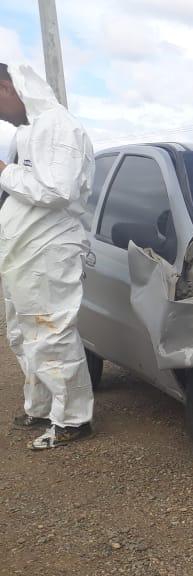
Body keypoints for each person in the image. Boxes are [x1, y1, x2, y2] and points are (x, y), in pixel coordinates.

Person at [0, 63, 95, 449]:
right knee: (24, 334)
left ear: (7, 87)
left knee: (51, 333)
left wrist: (3, 172)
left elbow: (59, 191)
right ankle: (39, 407)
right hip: (24, 251)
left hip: (47, 250)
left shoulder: (57, 126)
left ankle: (73, 420)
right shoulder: (30, 132)